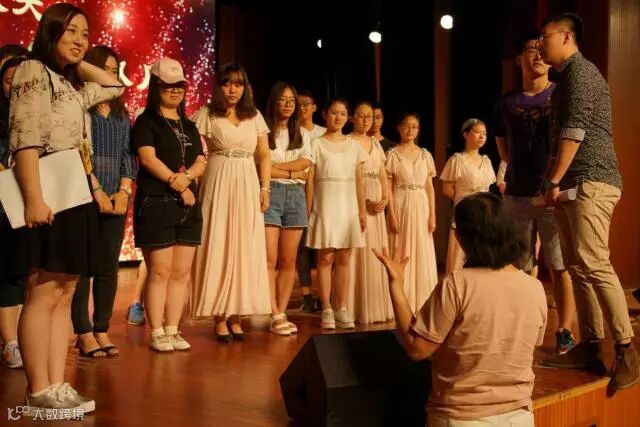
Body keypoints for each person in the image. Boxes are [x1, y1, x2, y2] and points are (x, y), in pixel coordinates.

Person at [8, 3, 123, 416]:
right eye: (70, 31)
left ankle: (56, 384)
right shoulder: (32, 71)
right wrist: (34, 198)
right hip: (47, 193)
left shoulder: (69, 83)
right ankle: (38, 388)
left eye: (85, 34)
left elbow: (114, 85)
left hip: (74, 192)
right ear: (50, 31)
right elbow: (25, 138)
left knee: (64, 291)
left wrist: (77, 61)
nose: (79, 40)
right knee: (43, 291)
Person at [374, 192, 546, 427]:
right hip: (520, 416)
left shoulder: (458, 284)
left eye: (456, 227)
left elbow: (417, 348)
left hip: (463, 416)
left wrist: (396, 287)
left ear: (466, 237)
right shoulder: (534, 288)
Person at [538, 13, 639, 389]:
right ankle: (592, 346)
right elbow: (559, 137)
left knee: (594, 263)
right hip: (572, 185)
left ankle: (627, 350)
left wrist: (554, 179)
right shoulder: (563, 81)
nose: (540, 44)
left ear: (566, 37)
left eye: (544, 37)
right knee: (578, 267)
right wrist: (552, 180)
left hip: (593, 182)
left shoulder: (582, 72)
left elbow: (575, 131)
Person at [494, 31, 577, 356]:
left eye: (542, 49)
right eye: (531, 50)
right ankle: (523, 325)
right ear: (519, 60)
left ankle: (565, 329)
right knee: (519, 265)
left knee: (559, 264)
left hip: (552, 194)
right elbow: (503, 149)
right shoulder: (505, 103)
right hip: (517, 193)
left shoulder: (560, 95)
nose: (538, 55)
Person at [189, 63, 271, 342]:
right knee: (219, 240)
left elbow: (264, 155)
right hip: (218, 180)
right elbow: (189, 146)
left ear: (245, 87)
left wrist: (265, 187)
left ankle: (237, 314)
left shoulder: (254, 116)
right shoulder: (207, 114)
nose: (232, 89)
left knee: (244, 244)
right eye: (227, 83)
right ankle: (219, 316)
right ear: (219, 86)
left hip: (247, 182)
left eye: (238, 83)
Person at [132, 57, 206, 352]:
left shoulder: (189, 124)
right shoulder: (146, 121)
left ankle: (173, 328)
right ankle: (156, 331)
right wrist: (178, 183)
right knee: (160, 271)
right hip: (156, 202)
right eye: (169, 86)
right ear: (156, 87)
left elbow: (200, 160)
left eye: (181, 86)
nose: (176, 91)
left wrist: (187, 179)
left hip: (188, 205)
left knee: (181, 273)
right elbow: (148, 159)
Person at [70, 46, 135, 358]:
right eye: (106, 69)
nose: (111, 75)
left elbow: (127, 154)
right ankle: (83, 332)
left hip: (115, 195)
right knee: (84, 266)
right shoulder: (80, 106)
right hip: (85, 193)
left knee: (108, 266)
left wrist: (124, 191)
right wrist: (95, 189)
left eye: (114, 70)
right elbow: (78, 152)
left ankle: (102, 328)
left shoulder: (122, 113)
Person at [305, 98, 366, 329]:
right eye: (334, 112)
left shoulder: (354, 145)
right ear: (325, 114)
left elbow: (359, 180)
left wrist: (361, 210)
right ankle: (326, 308)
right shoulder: (316, 144)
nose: (338, 117)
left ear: (347, 117)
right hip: (325, 204)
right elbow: (310, 179)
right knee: (325, 258)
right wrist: (309, 208)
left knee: (344, 259)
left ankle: (341, 307)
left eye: (342, 113)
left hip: (348, 205)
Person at [263, 82, 312, 336]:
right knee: (269, 258)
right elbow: (261, 166)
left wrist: (276, 168)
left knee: (288, 260)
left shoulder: (302, 133)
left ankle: (281, 311)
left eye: (292, 100)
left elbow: (306, 163)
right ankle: (273, 312)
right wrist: (291, 172)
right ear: (274, 101)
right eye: (283, 99)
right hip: (270, 192)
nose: (288, 104)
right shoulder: (263, 130)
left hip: (295, 196)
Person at [385, 113, 438, 314]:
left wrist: (432, 215)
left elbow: (430, 188)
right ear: (399, 128)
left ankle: (422, 299)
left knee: (421, 249)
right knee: (402, 247)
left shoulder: (425, 155)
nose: (410, 130)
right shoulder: (393, 154)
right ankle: (401, 298)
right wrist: (391, 214)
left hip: (421, 205)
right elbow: (388, 188)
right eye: (406, 126)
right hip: (401, 202)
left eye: (414, 126)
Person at [347, 101, 392, 324]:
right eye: (361, 116)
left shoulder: (375, 143)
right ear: (352, 118)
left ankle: (376, 306)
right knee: (357, 252)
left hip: (377, 204)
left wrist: (385, 199)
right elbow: (348, 177)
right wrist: (364, 203)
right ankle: (354, 307)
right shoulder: (348, 142)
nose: (366, 121)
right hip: (357, 201)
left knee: (375, 251)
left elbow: (383, 174)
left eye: (370, 117)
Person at [0, 52, 27, 369]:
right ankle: (10, 343)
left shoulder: (38, 115)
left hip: (33, 204)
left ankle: (22, 337)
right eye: (10, 81)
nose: (16, 87)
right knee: (7, 273)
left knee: (26, 272)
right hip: (4, 205)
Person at [440, 119, 496, 274]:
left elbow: (489, 188)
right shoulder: (457, 160)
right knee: (460, 253)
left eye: (484, 134)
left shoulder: (486, 161)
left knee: (483, 250)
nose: (482, 136)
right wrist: (465, 203)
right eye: (477, 132)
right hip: (464, 211)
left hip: (484, 211)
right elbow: (446, 188)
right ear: (466, 134)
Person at [296, 89, 325, 313]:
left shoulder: (323, 133)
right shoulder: (292, 130)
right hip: (299, 188)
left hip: (324, 192)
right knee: (302, 247)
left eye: (307, 103)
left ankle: (325, 295)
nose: (303, 107)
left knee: (324, 247)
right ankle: (306, 295)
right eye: (299, 104)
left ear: (314, 107)